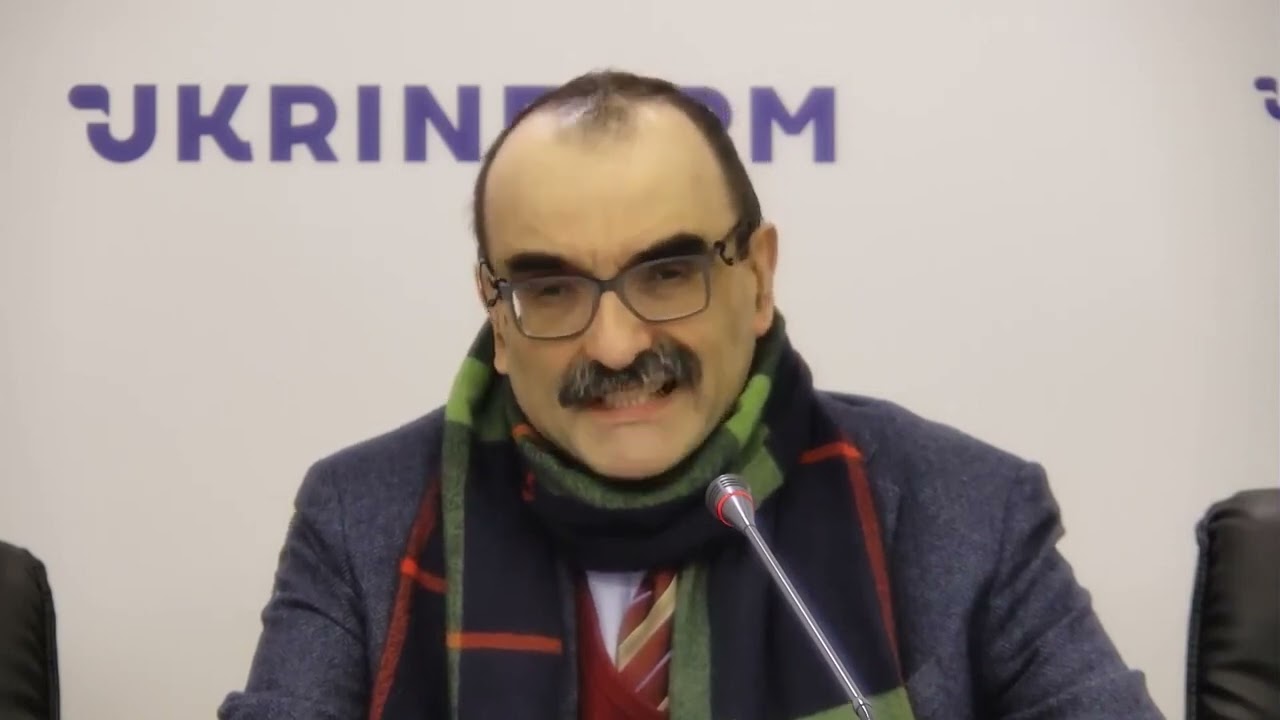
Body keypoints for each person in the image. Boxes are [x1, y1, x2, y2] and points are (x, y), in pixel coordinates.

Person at [218, 69, 1165, 720]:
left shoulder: (968, 510)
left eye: (668, 274)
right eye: (552, 289)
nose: (616, 343)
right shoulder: (362, 518)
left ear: (758, 278)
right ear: (498, 318)